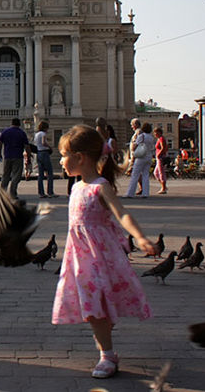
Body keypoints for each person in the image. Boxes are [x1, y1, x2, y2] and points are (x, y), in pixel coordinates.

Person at [53, 125, 156, 379]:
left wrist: (140, 237)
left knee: (96, 308)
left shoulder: (100, 187)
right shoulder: (76, 187)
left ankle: (107, 356)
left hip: (101, 258)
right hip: (80, 259)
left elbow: (122, 214)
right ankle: (106, 346)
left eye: (64, 155)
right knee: (94, 309)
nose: (61, 161)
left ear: (80, 157)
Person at [0, 118, 31, 199]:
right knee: (16, 175)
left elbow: (0, 143)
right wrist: (28, 157)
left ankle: (2, 193)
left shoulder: (5, 131)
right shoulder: (21, 133)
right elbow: (27, 146)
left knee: (6, 175)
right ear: (19, 124)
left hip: (7, 156)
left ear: (11, 123)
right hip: (18, 156)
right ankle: (12, 193)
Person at [125, 123, 155, 198]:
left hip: (141, 157)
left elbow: (136, 145)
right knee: (145, 175)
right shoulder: (151, 137)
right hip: (149, 156)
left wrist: (133, 145)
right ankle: (145, 193)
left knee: (135, 174)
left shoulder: (142, 136)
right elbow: (152, 147)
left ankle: (130, 193)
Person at [34, 120, 57, 198]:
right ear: (45, 128)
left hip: (39, 153)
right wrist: (49, 147)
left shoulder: (36, 134)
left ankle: (41, 193)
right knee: (49, 173)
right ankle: (50, 192)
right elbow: (43, 142)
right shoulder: (43, 134)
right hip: (44, 153)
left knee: (40, 174)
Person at [153, 127, 168, 194]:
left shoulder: (161, 138)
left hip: (160, 157)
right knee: (156, 173)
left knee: (161, 172)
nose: (155, 134)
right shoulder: (159, 139)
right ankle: (163, 186)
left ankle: (163, 188)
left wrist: (159, 154)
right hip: (158, 157)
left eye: (156, 132)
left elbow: (163, 148)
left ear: (159, 133)